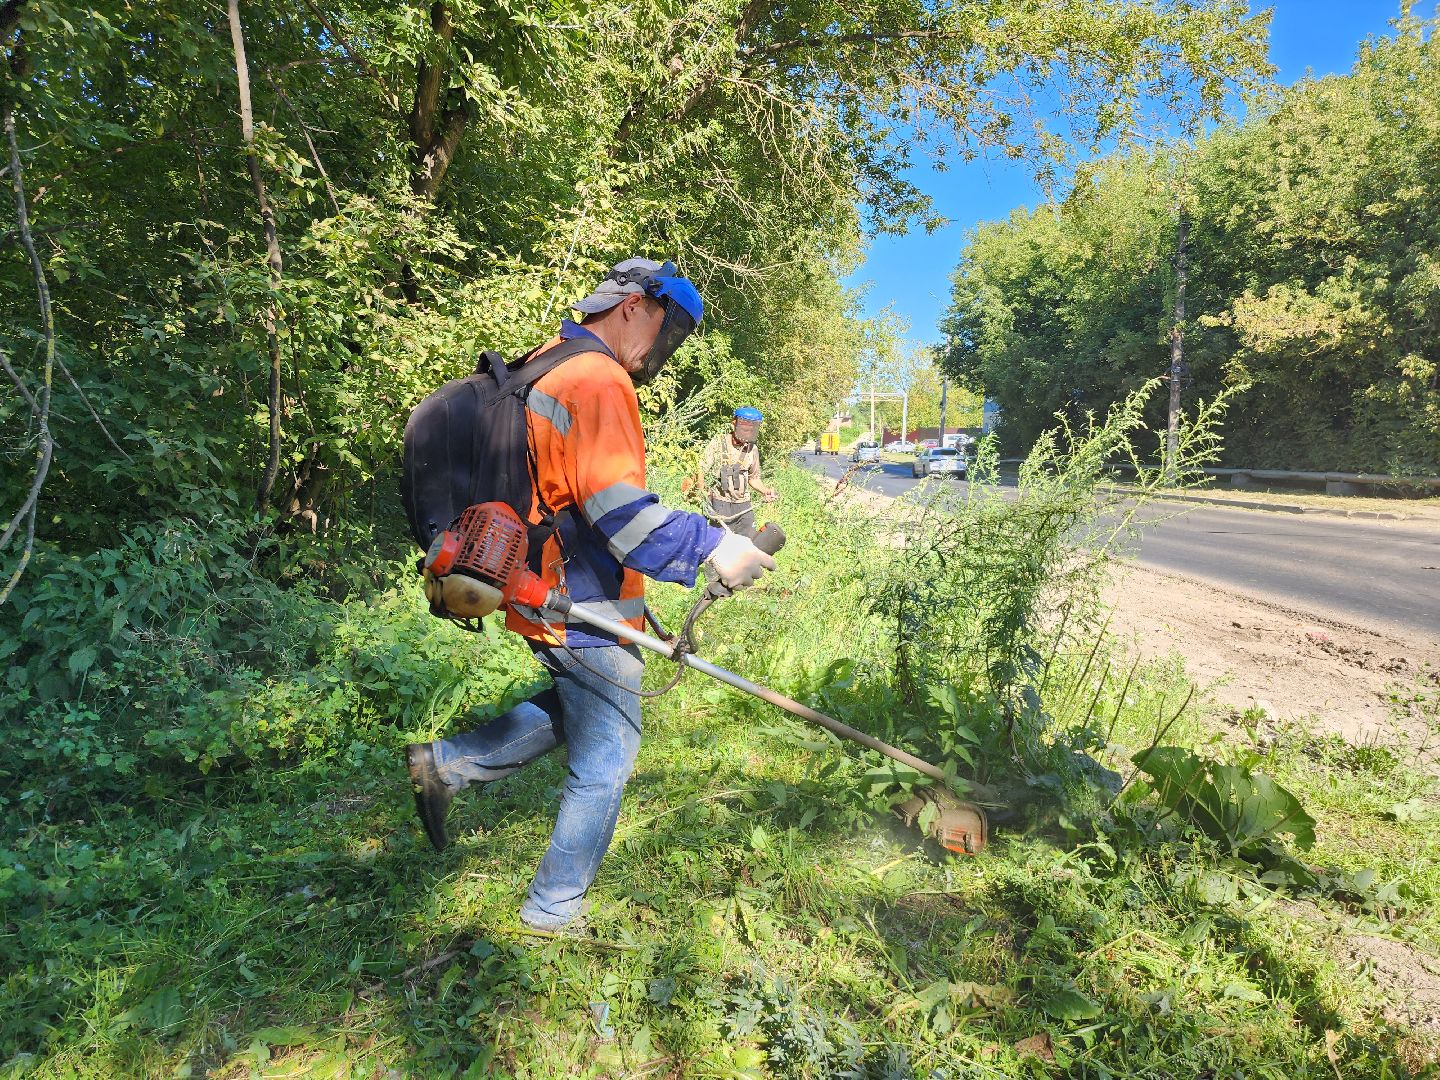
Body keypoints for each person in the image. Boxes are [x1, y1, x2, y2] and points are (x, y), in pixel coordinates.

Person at [403, 258, 776, 932]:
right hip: (575, 604)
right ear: (634, 304)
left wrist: (649, 604)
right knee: (607, 760)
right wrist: (713, 546)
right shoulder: (598, 379)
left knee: (576, 708)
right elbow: (621, 516)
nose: (661, 355)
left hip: (534, 587)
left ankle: (447, 766)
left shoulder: (550, 361)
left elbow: (569, 504)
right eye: (667, 332)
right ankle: (553, 911)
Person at [691, 406, 778, 540]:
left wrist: (765, 491)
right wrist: (702, 492)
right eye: (744, 427)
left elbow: (754, 478)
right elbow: (701, 468)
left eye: (751, 428)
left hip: (744, 506)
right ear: (734, 424)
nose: (748, 431)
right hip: (721, 504)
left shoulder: (752, 449)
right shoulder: (718, 443)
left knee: (748, 544)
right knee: (719, 545)